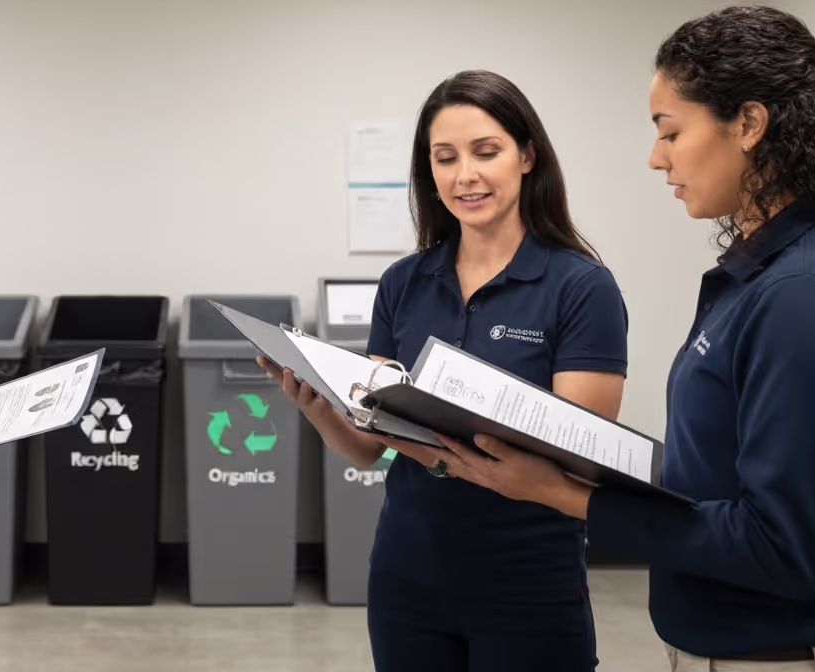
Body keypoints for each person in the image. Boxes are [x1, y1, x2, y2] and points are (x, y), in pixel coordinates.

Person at [435, 5, 815, 672]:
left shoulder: (807, 296)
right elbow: (725, 471)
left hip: (787, 657)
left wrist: (561, 493)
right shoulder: (765, 274)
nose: (654, 157)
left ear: (749, 124)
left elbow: (779, 547)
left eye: (670, 132)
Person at [260, 70, 629, 670]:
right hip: (408, 575)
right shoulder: (403, 283)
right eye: (445, 157)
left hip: (527, 579)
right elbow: (364, 445)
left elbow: (579, 455)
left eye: (486, 152)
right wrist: (318, 406)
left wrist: (440, 451)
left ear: (527, 155)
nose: (465, 176)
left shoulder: (581, 287)